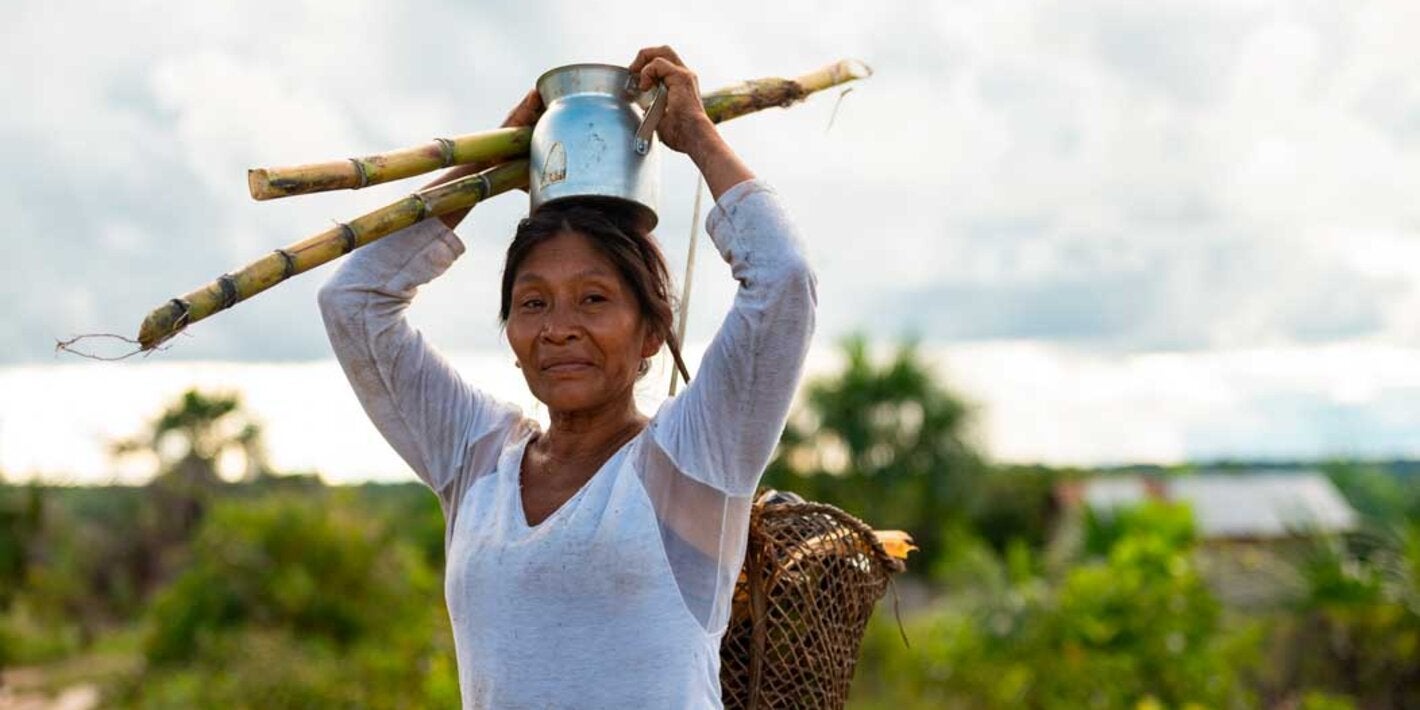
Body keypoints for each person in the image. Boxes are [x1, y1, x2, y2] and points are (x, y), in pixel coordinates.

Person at [318, 46, 816, 708]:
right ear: (512, 335)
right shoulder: (477, 459)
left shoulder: (693, 454)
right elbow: (352, 302)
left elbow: (785, 277)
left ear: (651, 330)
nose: (558, 327)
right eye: (533, 303)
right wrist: (481, 170)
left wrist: (695, 133)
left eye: (593, 299)